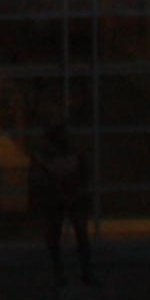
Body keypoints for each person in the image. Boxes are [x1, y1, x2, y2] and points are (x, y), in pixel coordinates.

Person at [27, 120, 96, 286]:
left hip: (71, 198)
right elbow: (38, 180)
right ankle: (62, 273)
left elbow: (84, 176)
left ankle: (84, 273)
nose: (65, 137)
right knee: (56, 235)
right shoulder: (43, 157)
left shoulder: (72, 153)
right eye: (61, 134)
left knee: (79, 235)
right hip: (57, 199)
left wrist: (78, 190)